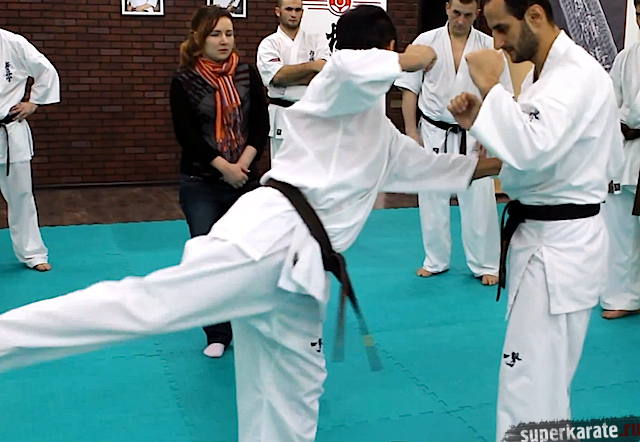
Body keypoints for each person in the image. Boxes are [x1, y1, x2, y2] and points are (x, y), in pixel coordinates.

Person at [0, 6, 502, 442]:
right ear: (386, 49)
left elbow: (440, 169)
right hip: (268, 237)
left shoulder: (381, 134)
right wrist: (423, 55)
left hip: (300, 278)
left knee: (297, 391)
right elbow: (356, 65)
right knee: (146, 305)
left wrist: (507, 161)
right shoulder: (334, 86)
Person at [446, 0, 624, 440]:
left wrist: (491, 89)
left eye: (502, 29)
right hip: (548, 239)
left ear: (536, 16)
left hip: (558, 246)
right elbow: (540, 153)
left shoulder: (573, 76)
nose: (497, 43)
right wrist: (482, 120)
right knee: (541, 383)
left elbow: (530, 146)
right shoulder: (548, 74)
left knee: (529, 384)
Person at [170, 6, 269, 358]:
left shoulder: (247, 73)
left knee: (252, 255)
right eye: (215, 34)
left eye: (229, 33)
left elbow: (260, 123)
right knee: (208, 257)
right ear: (199, 38)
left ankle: (253, 322)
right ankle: (217, 331)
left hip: (244, 177)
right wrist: (223, 167)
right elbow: (186, 135)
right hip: (201, 182)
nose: (224, 40)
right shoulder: (184, 80)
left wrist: (242, 164)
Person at [394, 0, 513, 285]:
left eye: (468, 15)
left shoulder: (489, 47)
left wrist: (492, 133)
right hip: (433, 130)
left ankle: (485, 264)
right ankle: (435, 260)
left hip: (475, 132)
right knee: (432, 198)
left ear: (477, 14)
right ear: (447, 7)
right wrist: (411, 132)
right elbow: (410, 90)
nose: (461, 20)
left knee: (479, 201)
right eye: (456, 13)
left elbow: (501, 96)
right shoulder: (426, 42)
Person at [0, 28, 59, 272]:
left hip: (9, 131)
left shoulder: (13, 42)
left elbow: (46, 70)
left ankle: (33, 253)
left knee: (21, 196)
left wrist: (34, 103)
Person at [599, 0, 640, 320]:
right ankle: (622, 295)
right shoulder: (627, 58)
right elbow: (611, 104)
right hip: (627, 154)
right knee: (619, 228)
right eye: (639, 15)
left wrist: (628, 116)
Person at [256, 0, 331, 160]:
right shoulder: (269, 44)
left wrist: (290, 74)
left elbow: (324, 74)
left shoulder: (316, 39)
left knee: (314, 166)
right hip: (283, 113)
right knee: (283, 168)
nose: (293, 14)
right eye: (289, 9)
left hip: (312, 113)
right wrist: (312, 66)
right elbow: (277, 77)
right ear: (278, 12)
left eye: (298, 10)